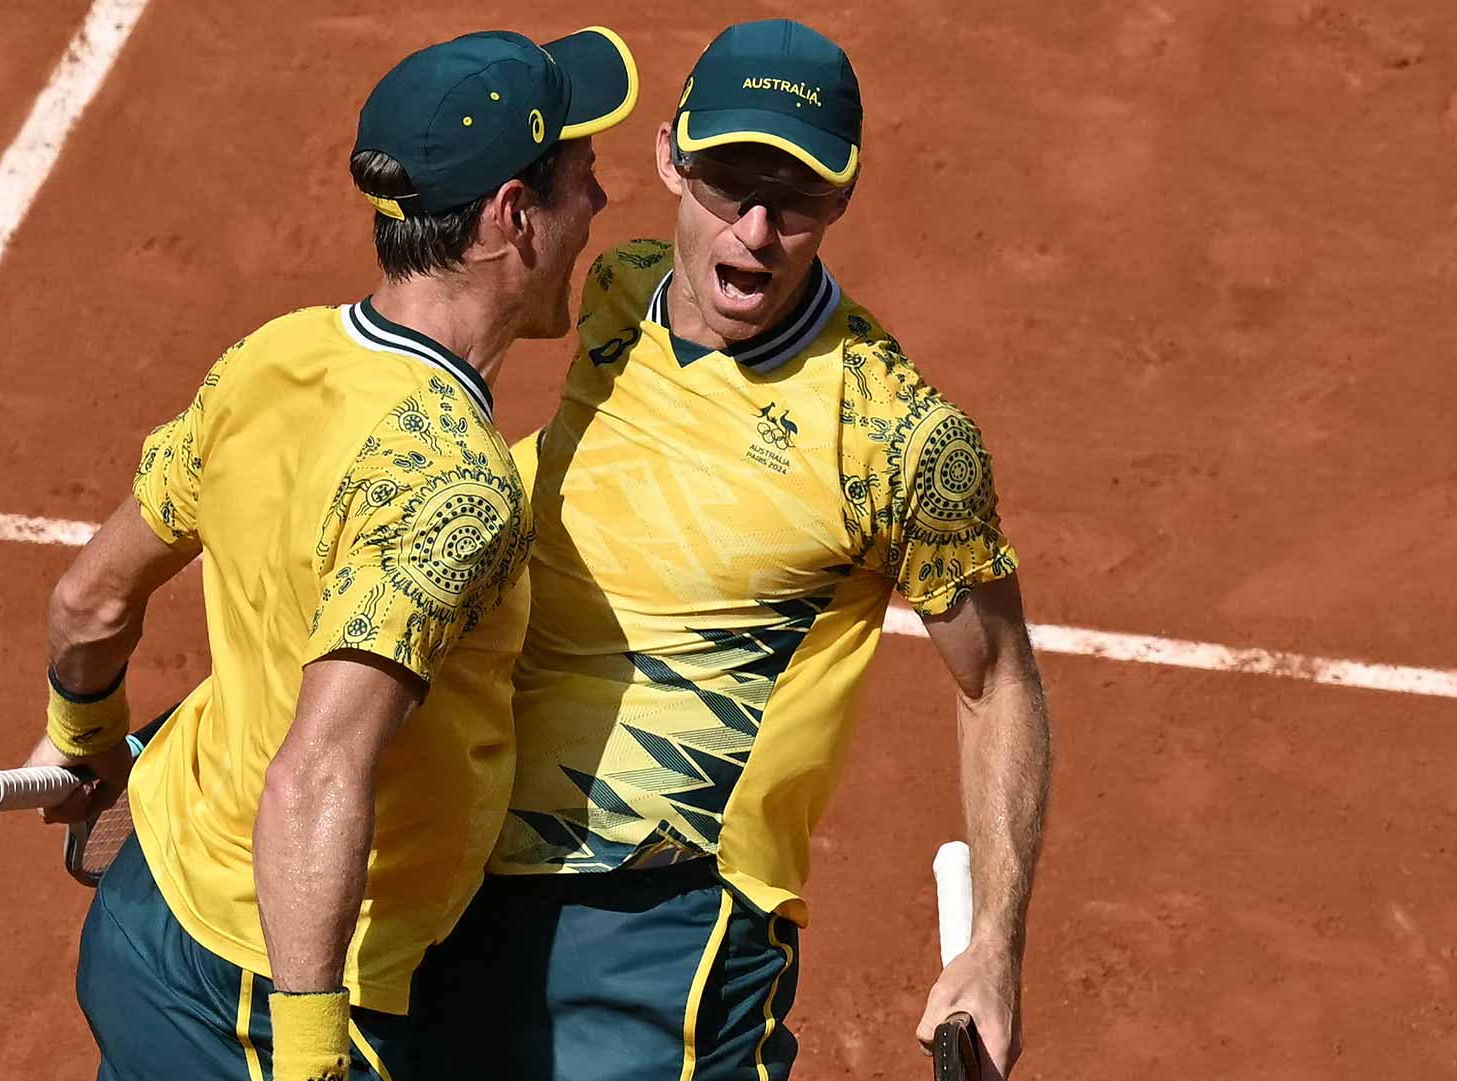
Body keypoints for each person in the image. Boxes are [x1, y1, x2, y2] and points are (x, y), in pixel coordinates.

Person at [414, 19, 1051, 1081]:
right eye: (727, 184)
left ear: (842, 198)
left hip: (661, 920)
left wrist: (996, 944)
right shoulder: (615, 291)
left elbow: (1000, 683)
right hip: (456, 839)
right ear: (669, 156)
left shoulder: (896, 438)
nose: (755, 231)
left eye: (795, 197)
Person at [15, 26, 637, 1081]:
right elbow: (318, 773)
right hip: (264, 995)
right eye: (581, 179)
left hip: (144, 917)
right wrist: (307, 1059)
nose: (601, 207)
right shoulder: (454, 483)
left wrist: (84, 738)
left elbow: (88, 601)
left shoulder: (274, 356)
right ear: (511, 217)